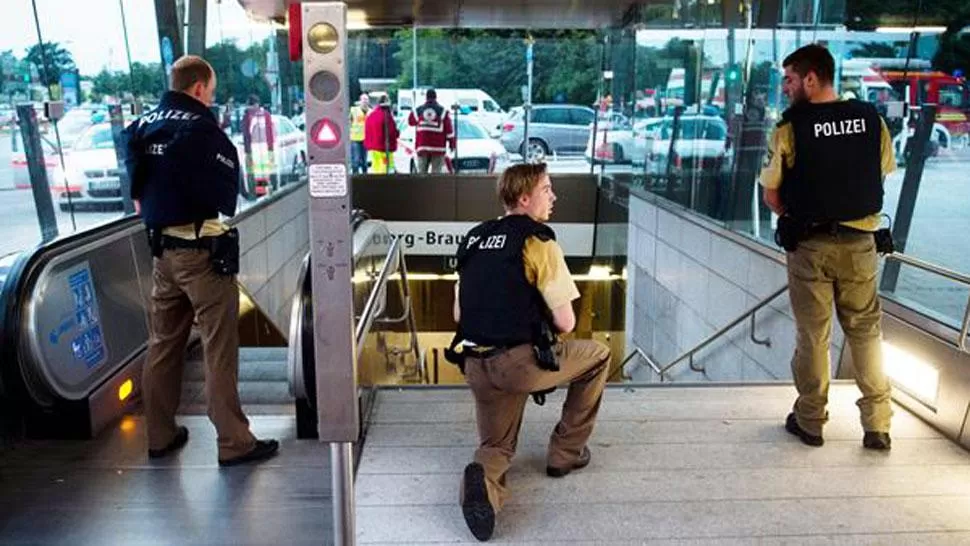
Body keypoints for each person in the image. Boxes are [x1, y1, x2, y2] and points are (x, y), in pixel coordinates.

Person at [123, 55, 279, 467]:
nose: (210, 97)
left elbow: (138, 186)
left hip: (162, 254)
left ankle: (159, 435)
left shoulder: (140, 126)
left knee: (162, 345)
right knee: (219, 349)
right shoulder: (201, 130)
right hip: (201, 255)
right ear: (197, 87)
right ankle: (234, 442)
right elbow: (224, 196)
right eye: (209, 90)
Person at [448, 163, 611, 541]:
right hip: (520, 364)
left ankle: (482, 483)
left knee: (496, 445)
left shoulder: (473, 238)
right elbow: (566, 322)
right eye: (547, 189)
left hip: (476, 365)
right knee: (597, 355)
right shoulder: (537, 242)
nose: (553, 197)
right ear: (525, 197)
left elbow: (459, 313)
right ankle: (565, 453)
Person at [760, 44, 895, 451]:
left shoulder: (789, 127)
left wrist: (800, 214)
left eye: (789, 79)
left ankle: (811, 421)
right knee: (866, 332)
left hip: (811, 246)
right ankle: (877, 424)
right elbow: (882, 172)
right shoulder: (872, 120)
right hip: (861, 244)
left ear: (811, 78)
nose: (785, 88)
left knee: (814, 336)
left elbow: (771, 194)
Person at [407, 89, 455, 173]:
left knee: (421, 173)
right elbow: (449, 131)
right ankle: (434, 186)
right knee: (436, 174)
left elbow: (410, 122)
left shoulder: (419, 111)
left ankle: (423, 186)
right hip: (438, 148)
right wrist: (452, 144)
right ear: (436, 98)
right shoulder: (443, 111)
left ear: (426, 97)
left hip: (422, 147)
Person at [364, 95, 398, 174]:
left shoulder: (371, 116)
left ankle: (377, 183)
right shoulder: (387, 116)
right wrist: (397, 133)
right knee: (387, 167)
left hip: (374, 149)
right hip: (385, 148)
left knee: (376, 168)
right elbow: (392, 131)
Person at [349, 93, 371, 174]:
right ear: (360, 101)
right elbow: (348, 122)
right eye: (363, 99)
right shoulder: (353, 110)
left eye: (366, 99)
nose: (365, 101)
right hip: (355, 138)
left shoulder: (371, 112)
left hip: (366, 139)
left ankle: (365, 177)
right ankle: (355, 176)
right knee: (356, 160)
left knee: (364, 161)